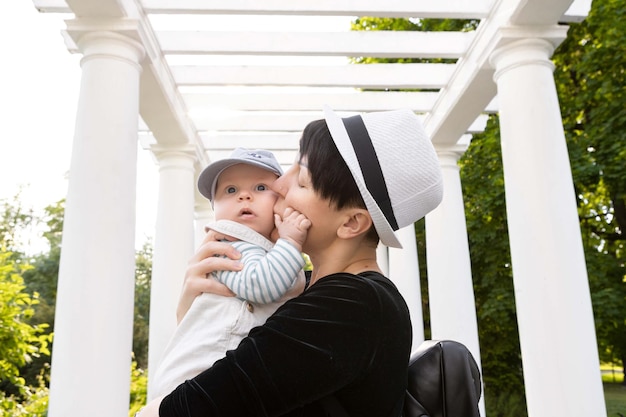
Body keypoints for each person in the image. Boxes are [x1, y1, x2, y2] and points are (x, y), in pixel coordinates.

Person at [139, 106, 443, 416]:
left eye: (302, 181)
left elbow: (191, 408)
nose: (279, 184)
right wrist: (194, 311)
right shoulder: (316, 293)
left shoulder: (349, 305)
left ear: (351, 223)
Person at [149, 148, 310, 399]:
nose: (244, 196)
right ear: (214, 209)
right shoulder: (231, 244)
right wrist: (290, 242)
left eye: (260, 188)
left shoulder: (263, 251)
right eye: (230, 190)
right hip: (197, 379)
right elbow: (261, 285)